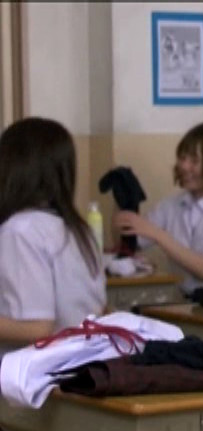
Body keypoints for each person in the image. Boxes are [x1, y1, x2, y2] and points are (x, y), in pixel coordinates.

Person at [0, 117, 107, 358]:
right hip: (81, 363)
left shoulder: (21, 230)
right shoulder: (78, 229)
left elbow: (38, 328)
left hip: (38, 370)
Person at [114, 122, 203, 294]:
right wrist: (125, 207)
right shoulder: (172, 204)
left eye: (194, 161)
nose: (184, 166)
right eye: (182, 158)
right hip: (184, 299)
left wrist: (159, 236)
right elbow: (130, 243)